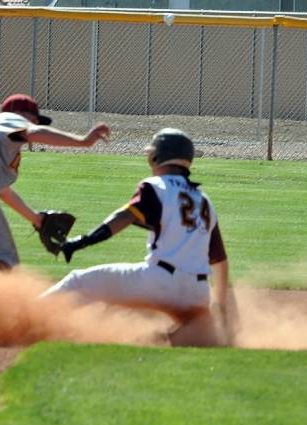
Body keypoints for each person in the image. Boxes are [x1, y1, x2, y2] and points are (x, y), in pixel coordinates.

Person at [43, 128, 232, 347]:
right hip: (198, 293)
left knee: (79, 280)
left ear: (156, 156)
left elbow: (123, 217)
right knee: (179, 325)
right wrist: (219, 308)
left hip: (159, 281)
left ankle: (27, 314)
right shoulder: (204, 200)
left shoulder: (155, 187)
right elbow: (220, 262)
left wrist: (81, 241)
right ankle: (186, 332)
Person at [0, 93, 110, 270]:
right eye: (34, 118)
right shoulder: (10, 118)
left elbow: (4, 192)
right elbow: (33, 132)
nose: (36, 122)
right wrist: (83, 142)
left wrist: (36, 219)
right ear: (23, 113)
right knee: (6, 258)